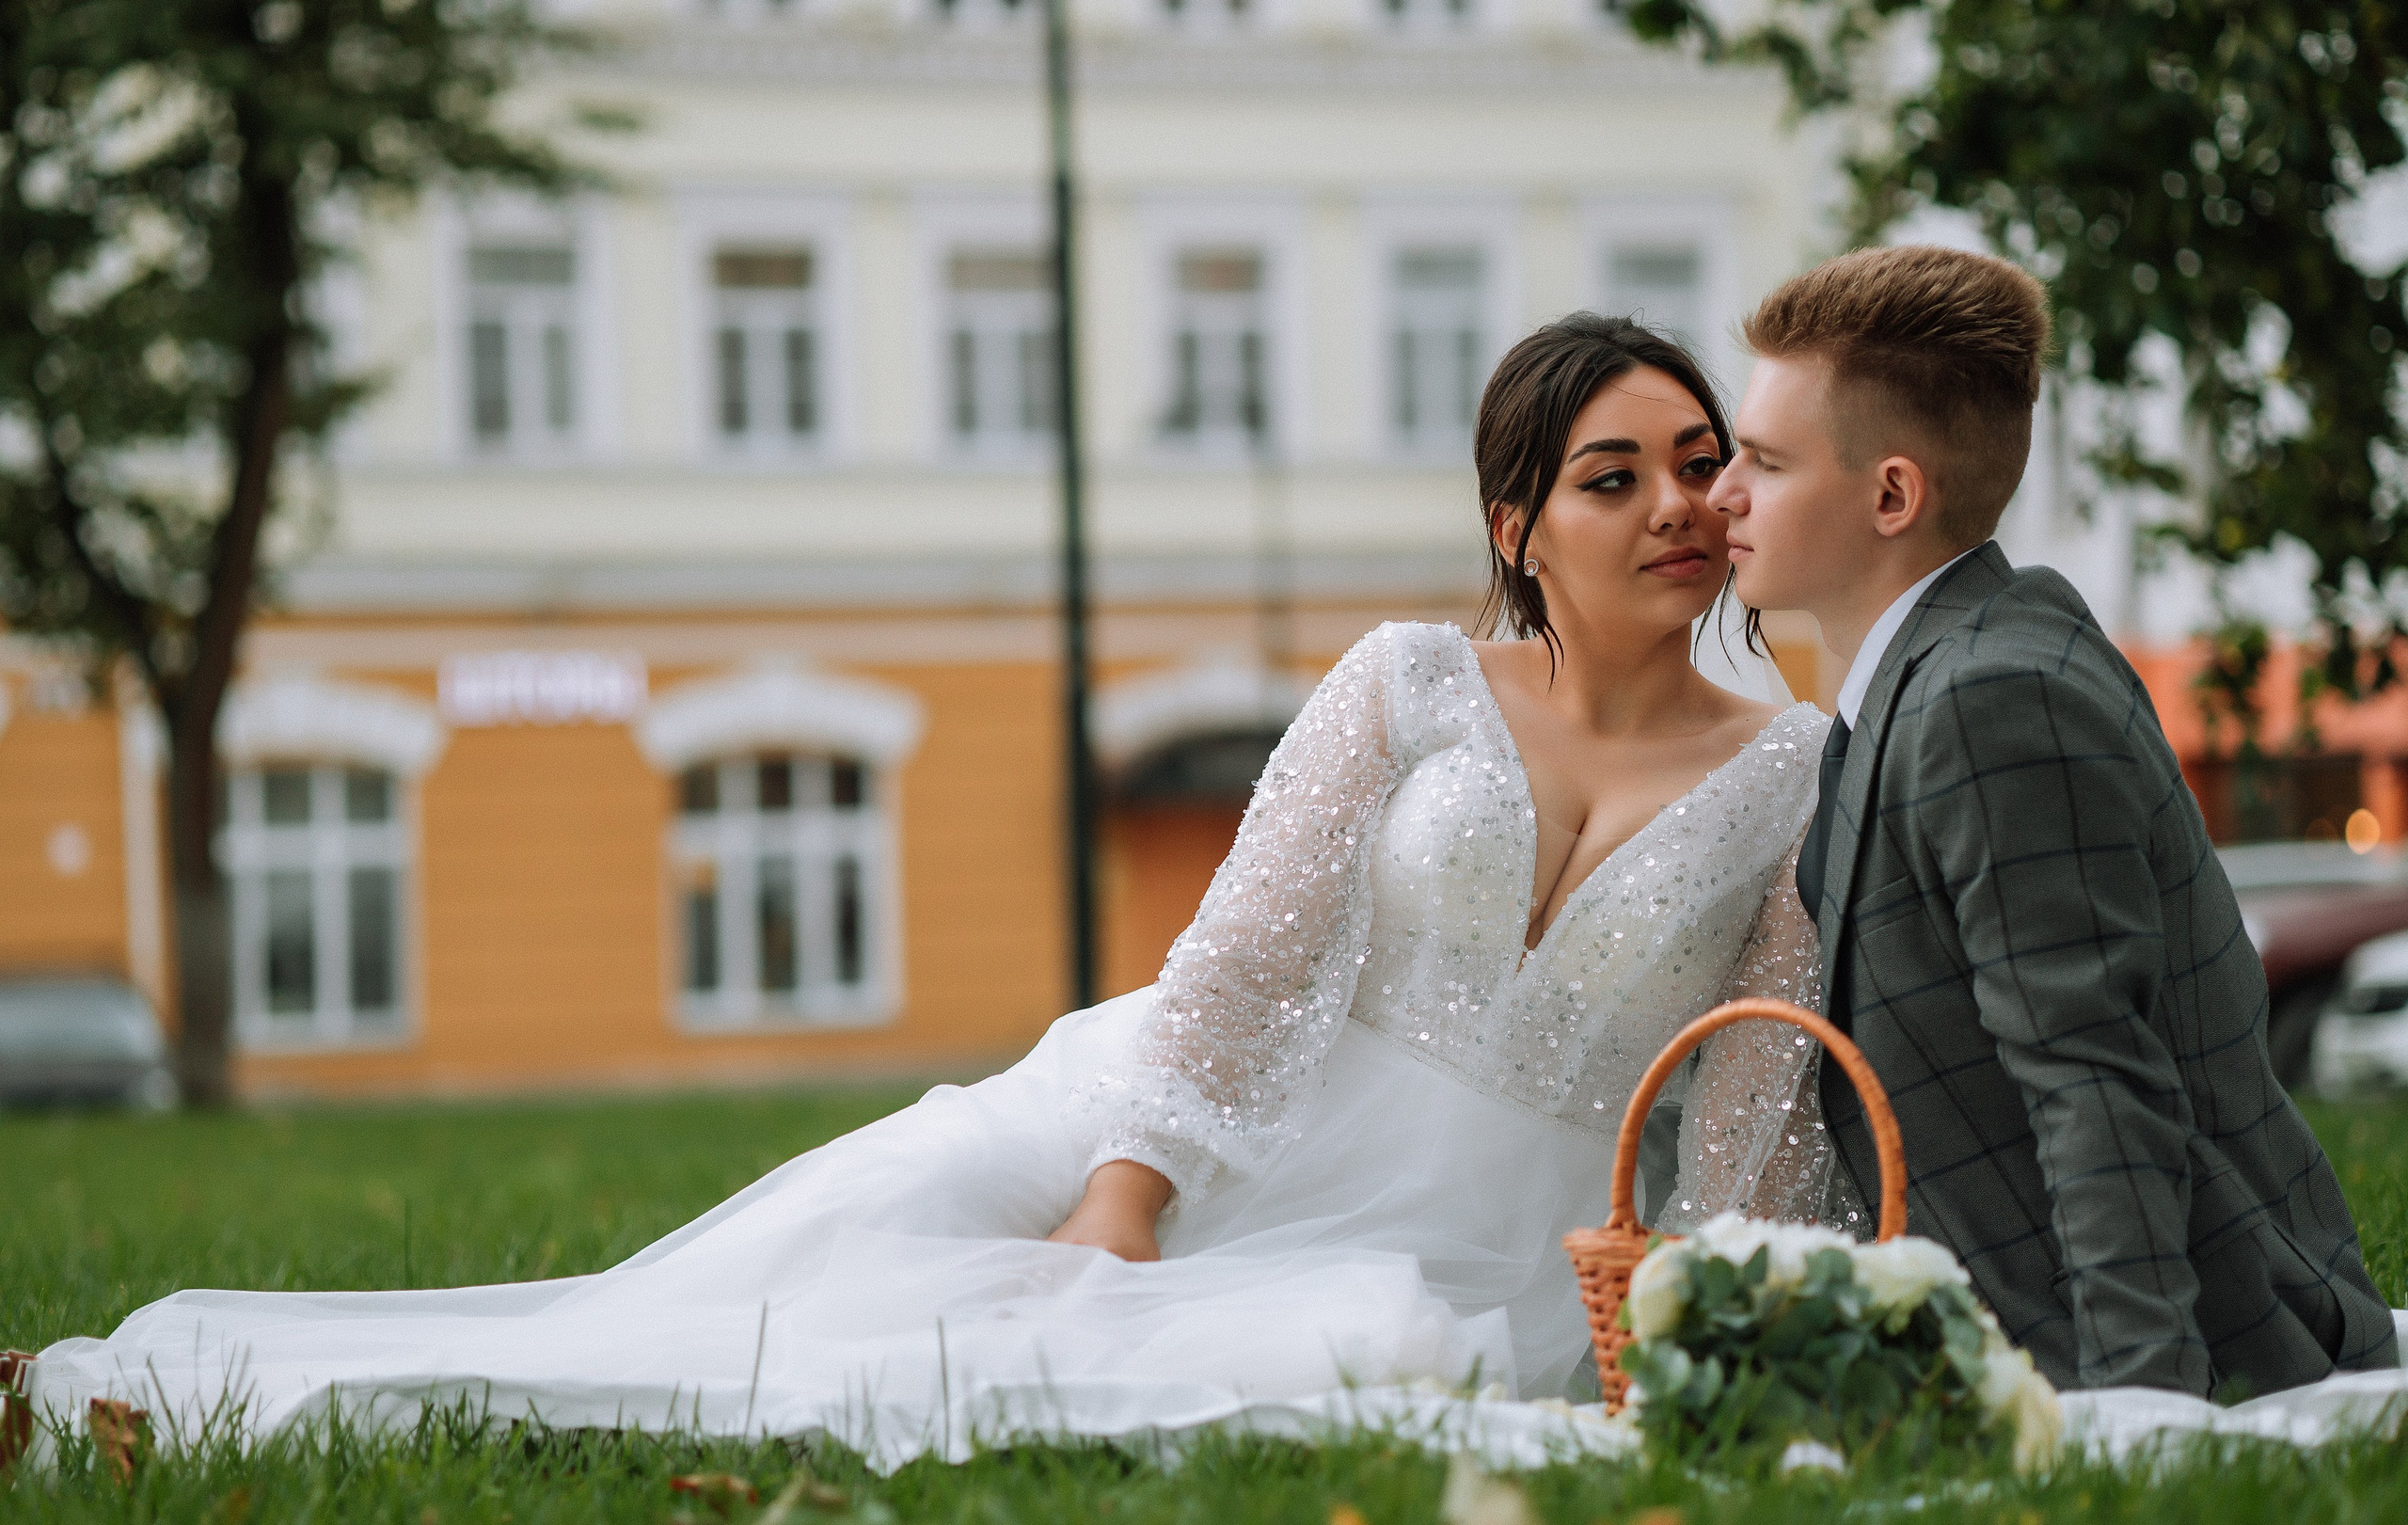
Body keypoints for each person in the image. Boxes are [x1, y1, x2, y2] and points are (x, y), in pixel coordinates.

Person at [15, 316, 1835, 1469]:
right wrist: (1125, 1205)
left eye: (1702, 464)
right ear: (1519, 525)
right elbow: (1250, 954)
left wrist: (1706, 1321)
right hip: (1199, 1104)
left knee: (1216, 1362)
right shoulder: (1405, 679)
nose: (1680, 501)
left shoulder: (1789, 769)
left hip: (1481, 1236)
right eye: (1618, 475)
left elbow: (1755, 1097)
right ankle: (178, 1384)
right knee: (830, 1261)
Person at [1707, 244, 2399, 1398]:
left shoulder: (1988, 696)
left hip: (2184, 1346)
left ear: (1891, 494)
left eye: (1765, 463)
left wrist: (2140, 1405)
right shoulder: (1942, 667)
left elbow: (2092, 1076)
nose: (1720, 492)